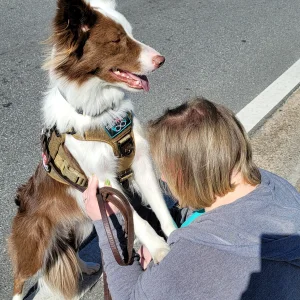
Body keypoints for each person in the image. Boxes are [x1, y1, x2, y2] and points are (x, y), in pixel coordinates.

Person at [83, 97, 300, 300]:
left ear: (188, 174)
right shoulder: (271, 184)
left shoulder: (193, 257)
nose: (163, 178)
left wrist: (107, 225)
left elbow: (129, 297)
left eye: (166, 170)